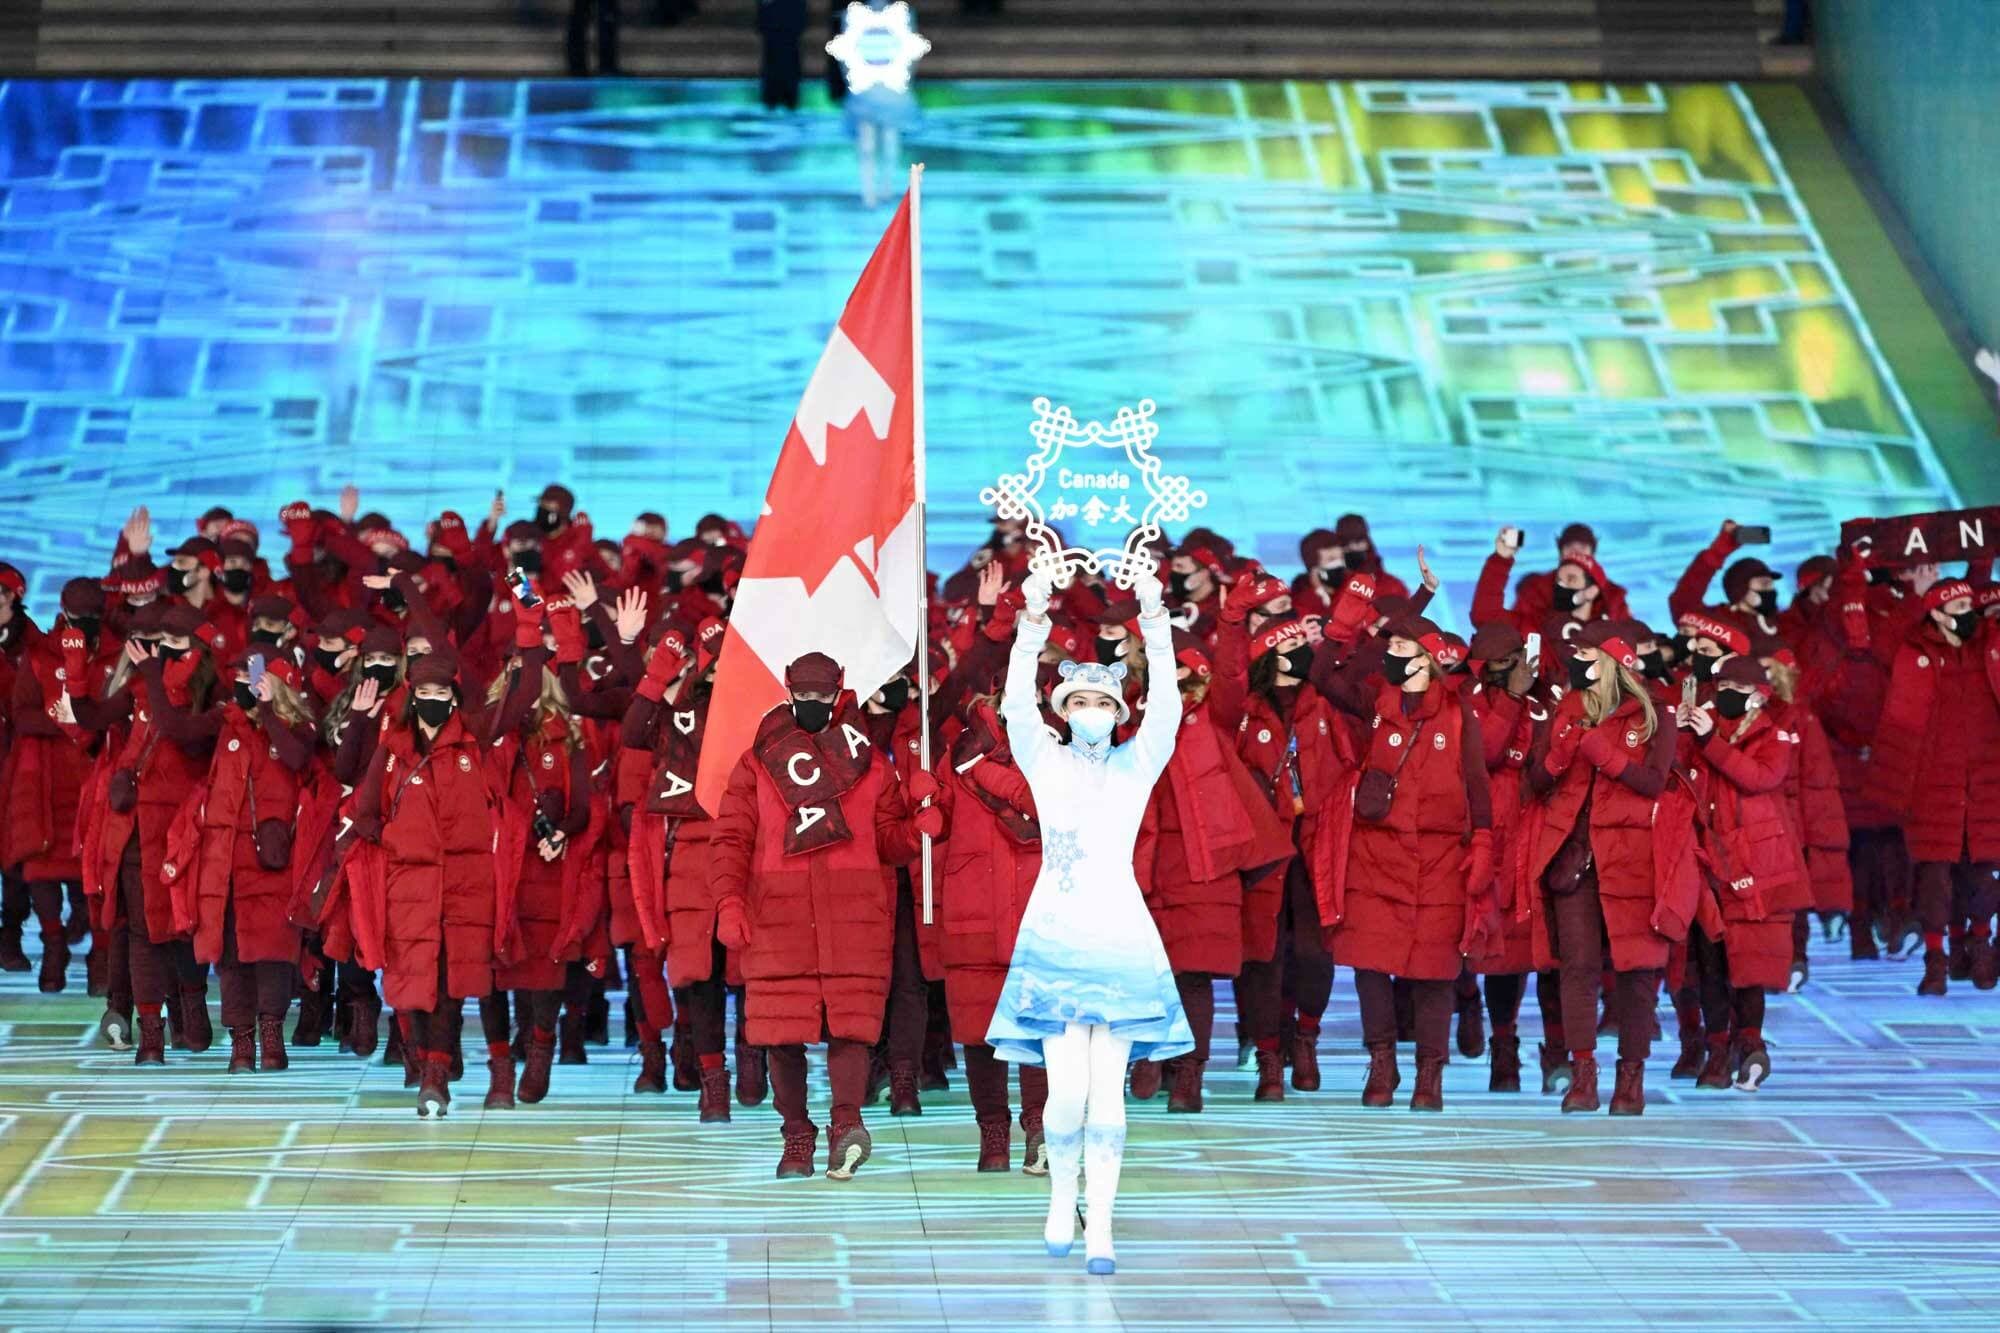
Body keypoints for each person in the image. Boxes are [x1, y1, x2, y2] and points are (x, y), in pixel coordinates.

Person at [987, 562, 1191, 1276]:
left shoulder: (1137, 766)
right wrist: (1031, 622)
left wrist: (1155, 621)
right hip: (1055, 933)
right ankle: (1059, 1196)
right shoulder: (1045, 764)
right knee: (1066, 1092)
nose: (1092, 711)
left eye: (1104, 701)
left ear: (1119, 711)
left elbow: (1168, 712)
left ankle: (1100, 1222)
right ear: (1064, 710)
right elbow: (1015, 704)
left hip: (1122, 936)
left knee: (1109, 1097)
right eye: (1079, 700)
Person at [707, 651, 939, 1182]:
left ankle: (846, 1124)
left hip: (851, 913)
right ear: (788, 692)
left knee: (850, 1028)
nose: (812, 704)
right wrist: (729, 902)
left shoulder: (870, 763)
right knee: (780, 1031)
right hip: (777, 914)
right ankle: (796, 1133)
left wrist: (916, 830)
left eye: (822, 696)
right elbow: (731, 839)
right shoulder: (757, 762)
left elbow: (887, 841)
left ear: (839, 693)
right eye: (803, 695)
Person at [1315, 613, 1493, 1113]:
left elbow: (1477, 785)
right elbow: (1325, 678)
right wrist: (1347, 626)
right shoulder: (1377, 703)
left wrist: (1483, 842)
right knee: (1369, 964)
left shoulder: (1458, 715)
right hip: (1376, 855)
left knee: (1435, 972)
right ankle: (1382, 1061)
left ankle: (1429, 1073)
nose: (1390, 655)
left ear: (1427, 659)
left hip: (1440, 861)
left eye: (1400, 648)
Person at [1518, 622, 1683, 1114]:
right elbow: (1535, 781)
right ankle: (1583, 1073)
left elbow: (1654, 782)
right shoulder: (1568, 707)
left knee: (1637, 968)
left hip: (1633, 857)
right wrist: (1558, 758)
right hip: (1573, 856)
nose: (1577, 663)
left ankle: (1631, 1077)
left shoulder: (1655, 713)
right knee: (1577, 967)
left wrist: (1604, 756)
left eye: (1587, 655)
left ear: (1613, 662)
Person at [347, 648, 515, 1117]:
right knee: (413, 986)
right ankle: (426, 1062)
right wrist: (397, 840)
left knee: (449, 983)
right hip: (409, 885)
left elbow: (500, 800)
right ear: (412, 697)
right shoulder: (394, 750)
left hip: (466, 883)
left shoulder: (475, 744)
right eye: (425, 692)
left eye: (442, 692)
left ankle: (436, 1076)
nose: (434, 700)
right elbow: (366, 814)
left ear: (455, 697)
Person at [162, 651, 322, 1073]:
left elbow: (296, 758)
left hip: (275, 861)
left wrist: (268, 712)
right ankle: (241, 1042)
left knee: (273, 953)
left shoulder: (298, 728)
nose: (244, 688)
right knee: (231, 956)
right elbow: (177, 729)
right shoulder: (226, 725)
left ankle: (272, 1037)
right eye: (241, 681)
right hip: (226, 862)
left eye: (253, 681)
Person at [1862, 577, 2000, 994]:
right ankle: (1937, 962)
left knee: (1983, 875)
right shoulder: (1913, 651)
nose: (1968, 615)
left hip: (1985, 781)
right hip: (1932, 785)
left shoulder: (1989, 647)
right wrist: (1909, 593)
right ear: (1936, 615)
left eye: (1969, 606)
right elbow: (1879, 646)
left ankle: (1979, 950)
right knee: (1935, 880)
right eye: (1957, 608)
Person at [1679, 655, 1810, 1090]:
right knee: (1710, 962)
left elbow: (1758, 777)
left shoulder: (1773, 734)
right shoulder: (1700, 727)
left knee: (1749, 961)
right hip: (1705, 862)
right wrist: (1681, 734)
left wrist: (1710, 741)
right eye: (1722, 687)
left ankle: (1750, 1043)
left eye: (1737, 689)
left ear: (1759, 695)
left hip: (1754, 865)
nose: (1726, 695)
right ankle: (1717, 1048)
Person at [757, 0, 807, 110]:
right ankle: (773, 97)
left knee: (789, 57)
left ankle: (788, 96)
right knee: (774, 57)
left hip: (790, 21)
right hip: (773, 22)